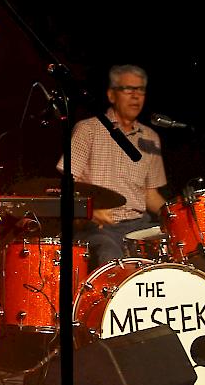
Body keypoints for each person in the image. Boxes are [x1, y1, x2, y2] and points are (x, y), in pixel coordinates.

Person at [57, 64, 167, 271]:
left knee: (174, 249)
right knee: (108, 252)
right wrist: (89, 210)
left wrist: (175, 215)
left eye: (141, 90)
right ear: (111, 95)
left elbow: (150, 194)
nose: (136, 96)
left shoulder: (151, 138)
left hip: (139, 225)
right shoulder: (87, 130)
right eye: (128, 89)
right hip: (99, 227)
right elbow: (66, 185)